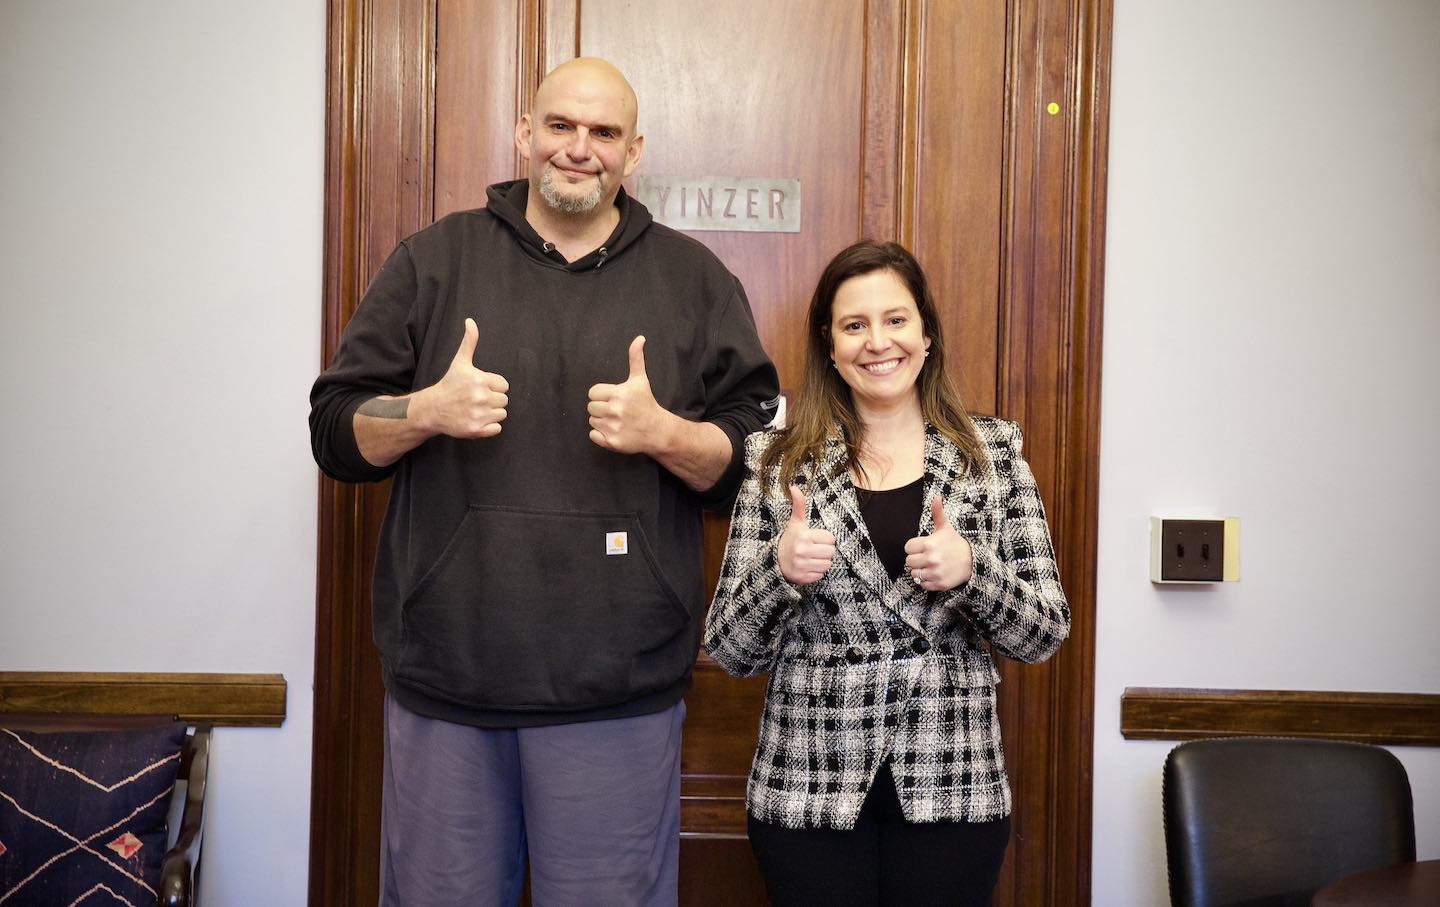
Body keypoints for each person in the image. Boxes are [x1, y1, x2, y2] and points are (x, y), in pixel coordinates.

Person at [309, 57, 779, 907]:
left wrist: (665, 433)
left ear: (634, 153)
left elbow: (754, 462)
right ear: (525, 134)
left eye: (603, 133)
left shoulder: (695, 279)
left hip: (620, 690)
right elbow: (335, 432)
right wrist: (425, 411)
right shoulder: (432, 261)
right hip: (448, 679)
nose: (578, 148)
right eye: (560, 125)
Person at [703, 240, 1069, 906]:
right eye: (854, 324)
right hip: (808, 785)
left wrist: (972, 572)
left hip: (952, 782)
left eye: (896, 319)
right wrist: (779, 572)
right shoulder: (776, 460)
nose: (879, 342)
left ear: (926, 333)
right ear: (831, 345)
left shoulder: (994, 453)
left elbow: (1044, 631)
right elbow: (729, 649)